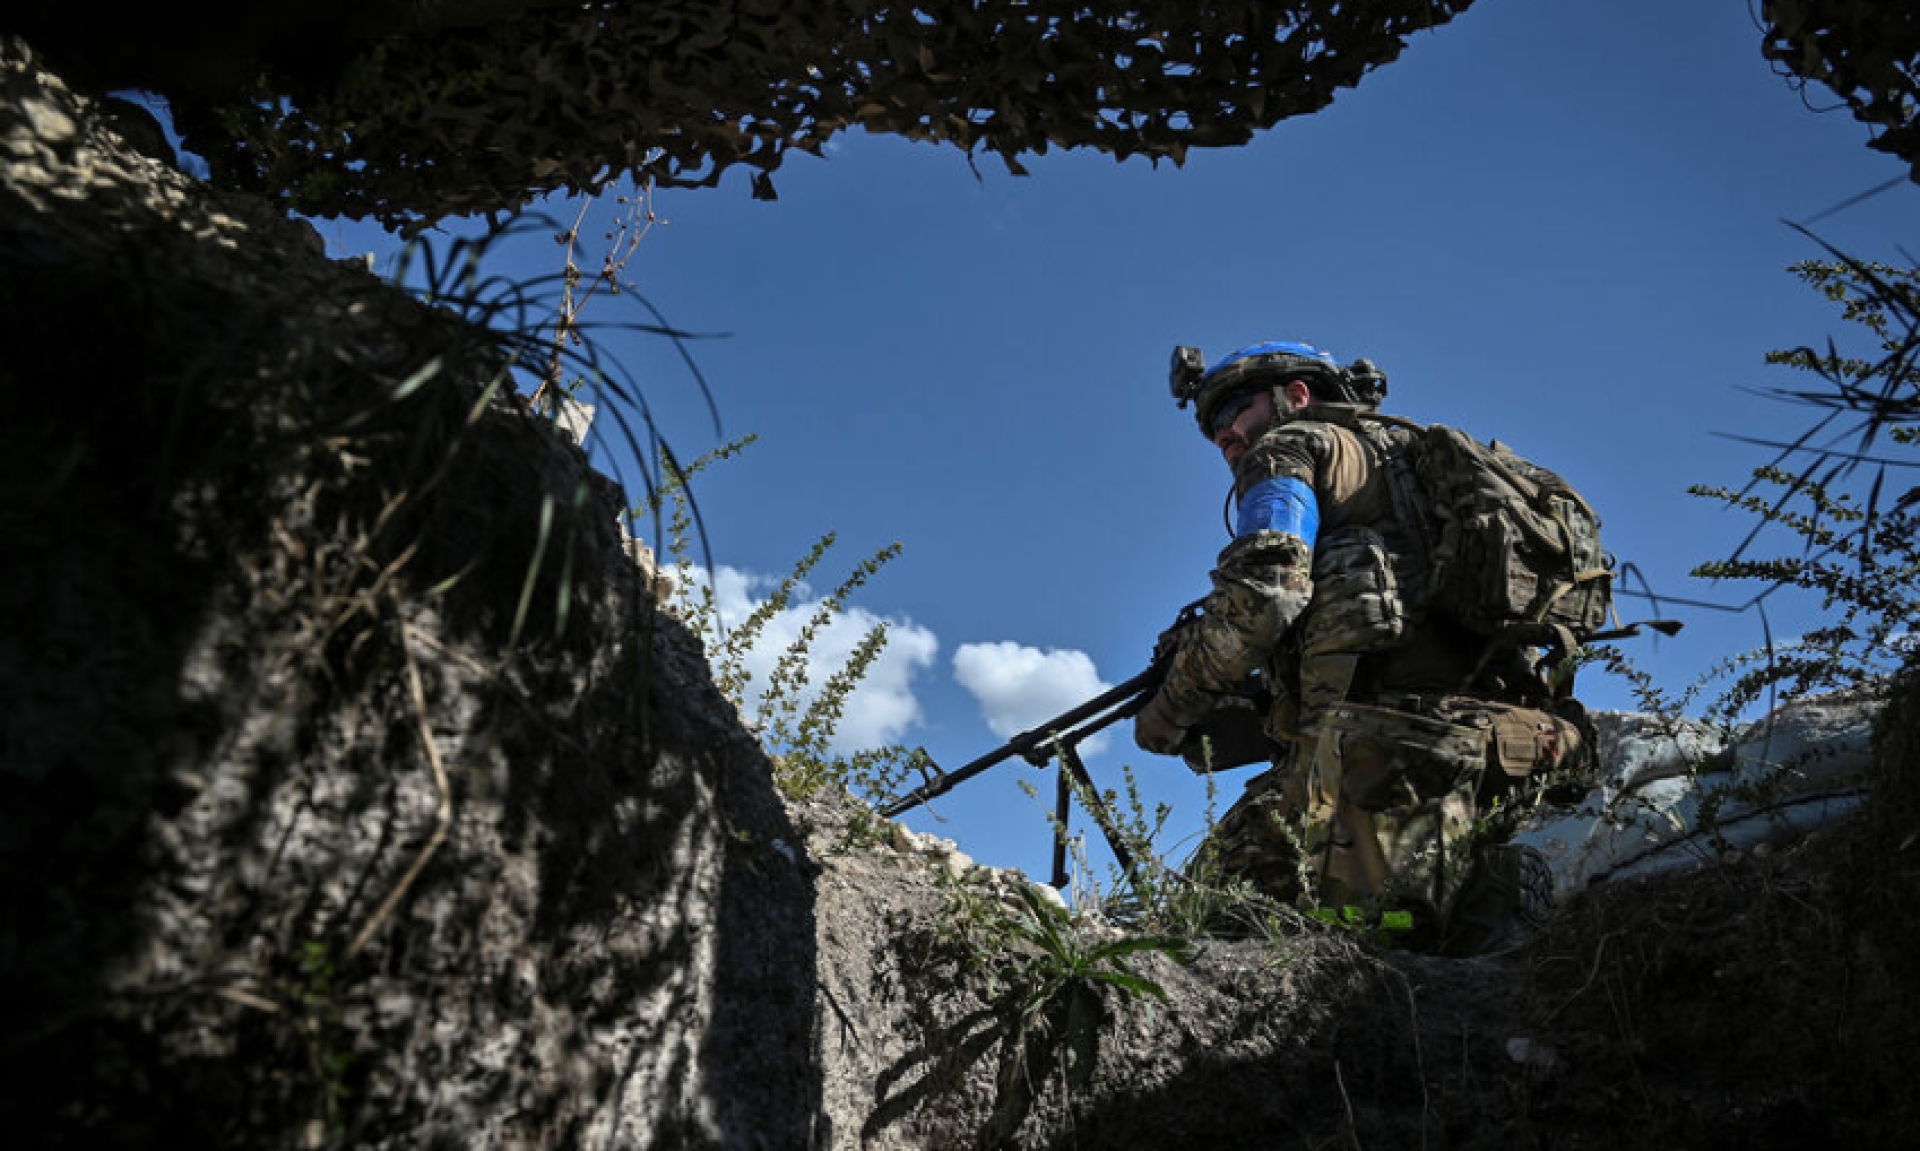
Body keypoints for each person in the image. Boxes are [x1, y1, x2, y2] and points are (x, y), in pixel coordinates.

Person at [1133, 340, 1592, 953]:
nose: (1223, 436)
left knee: (1277, 936)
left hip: (1387, 754)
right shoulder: (1434, 470)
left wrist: (1168, 710)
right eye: (1212, 427)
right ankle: (1485, 907)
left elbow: (1266, 596)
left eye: (1232, 412)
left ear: (1295, 396)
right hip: (1516, 743)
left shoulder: (1290, 449)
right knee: (1263, 876)